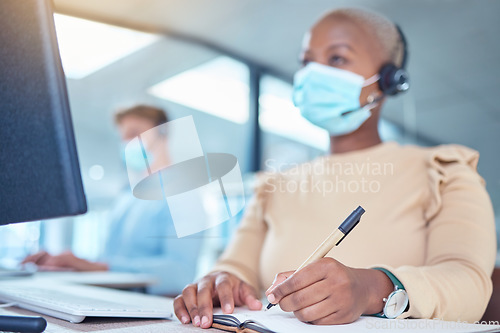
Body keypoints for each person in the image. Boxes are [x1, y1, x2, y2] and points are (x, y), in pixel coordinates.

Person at [173, 7, 496, 328]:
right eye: (306, 61)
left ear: (388, 80)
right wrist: (219, 282)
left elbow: (468, 281)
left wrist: (372, 290)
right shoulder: (273, 186)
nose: (313, 74)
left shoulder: (444, 170)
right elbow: (234, 267)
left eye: (337, 58)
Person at [23, 105, 202, 295]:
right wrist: (69, 263)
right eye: (123, 138)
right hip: (110, 298)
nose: (127, 143)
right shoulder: (127, 197)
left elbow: (180, 274)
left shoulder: (183, 193)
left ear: (162, 134)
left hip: (150, 309)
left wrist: (98, 267)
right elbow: (109, 260)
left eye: (134, 133)